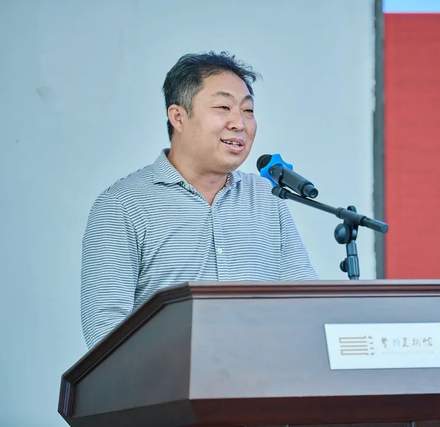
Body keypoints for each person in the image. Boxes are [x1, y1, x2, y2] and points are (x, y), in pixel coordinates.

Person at [81, 51, 317, 349]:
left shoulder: (267, 199)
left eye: (248, 110)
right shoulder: (123, 206)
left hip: (264, 373)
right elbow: (104, 331)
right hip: (167, 377)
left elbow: (306, 304)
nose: (239, 123)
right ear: (178, 117)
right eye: (223, 107)